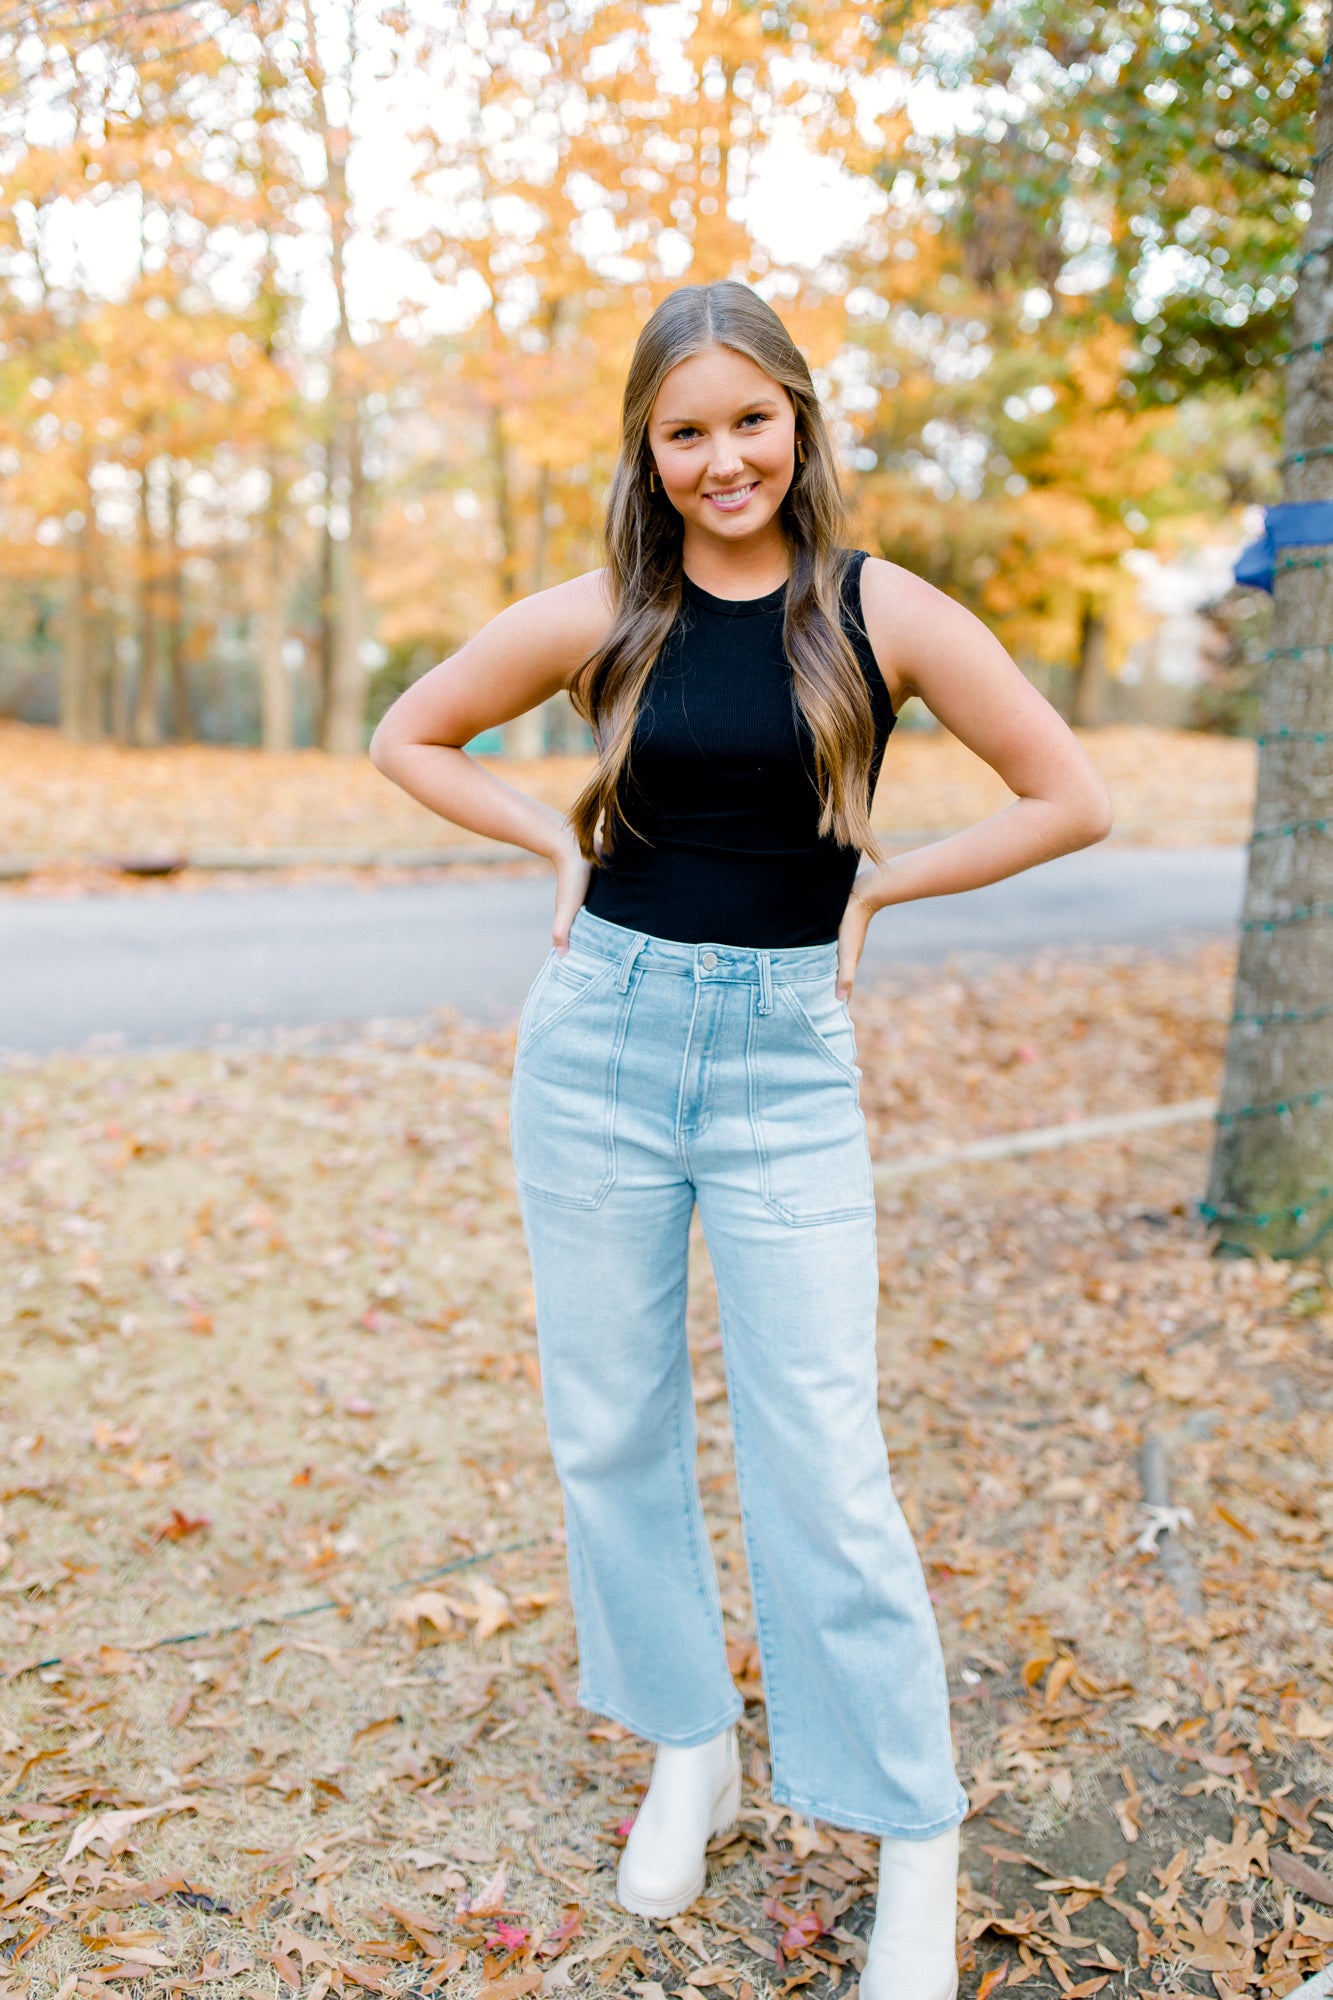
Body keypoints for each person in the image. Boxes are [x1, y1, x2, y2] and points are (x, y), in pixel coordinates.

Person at [370, 280, 1112, 2000]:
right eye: (684, 428)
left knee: (821, 1458)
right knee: (612, 1420)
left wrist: (883, 882)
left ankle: (909, 1836)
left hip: (785, 1066)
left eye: (749, 420)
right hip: (600, 1047)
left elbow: (1067, 794)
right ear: (648, 442)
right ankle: (686, 1746)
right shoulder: (604, 612)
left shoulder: (879, 611)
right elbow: (411, 734)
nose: (722, 458)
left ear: (800, 420)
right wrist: (550, 851)